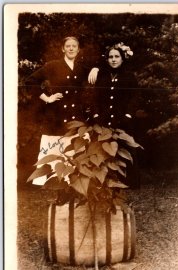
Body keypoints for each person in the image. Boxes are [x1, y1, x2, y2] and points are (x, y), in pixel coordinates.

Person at [24, 36, 98, 186]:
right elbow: (30, 81)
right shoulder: (53, 66)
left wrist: (96, 68)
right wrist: (47, 98)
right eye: (68, 46)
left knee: (75, 154)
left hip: (76, 117)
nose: (71, 48)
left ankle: (74, 188)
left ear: (78, 49)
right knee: (56, 159)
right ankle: (57, 188)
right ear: (63, 49)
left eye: (74, 46)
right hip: (57, 117)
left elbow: (103, 72)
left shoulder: (82, 68)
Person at [92, 42, 143, 189]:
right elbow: (95, 97)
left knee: (126, 149)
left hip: (123, 121)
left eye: (117, 56)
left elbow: (135, 97)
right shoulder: (102, 77)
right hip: (104, 120)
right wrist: (96, 114)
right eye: (111, 57)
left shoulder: (129, 76)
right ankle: (106, 182)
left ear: (122, 58)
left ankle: (130, 183)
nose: (113, 59)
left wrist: (128, 115)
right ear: (107, 59)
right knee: (104, 150)